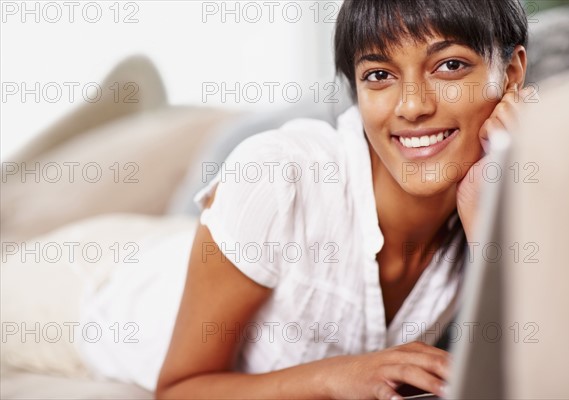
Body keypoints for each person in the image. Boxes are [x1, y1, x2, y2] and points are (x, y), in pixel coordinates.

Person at [156, 0, 530, 399]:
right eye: (379, 74)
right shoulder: (275, 176)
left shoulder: (518, 191)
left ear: (510, 74)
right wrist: (335, 378)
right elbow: (178, 389)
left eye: (449, 66)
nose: (413, 106)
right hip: (125, 271)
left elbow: (544, 373)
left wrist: (485, 221)